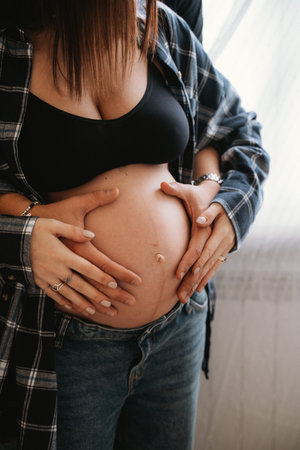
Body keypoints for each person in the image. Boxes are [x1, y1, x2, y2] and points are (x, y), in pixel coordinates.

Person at [0, 1, 269, 449]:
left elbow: (237, 130)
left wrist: (222, 204)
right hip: (63, 345)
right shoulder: (9, 54)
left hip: (180, 325)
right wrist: (22, 241)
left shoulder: (161, 29)